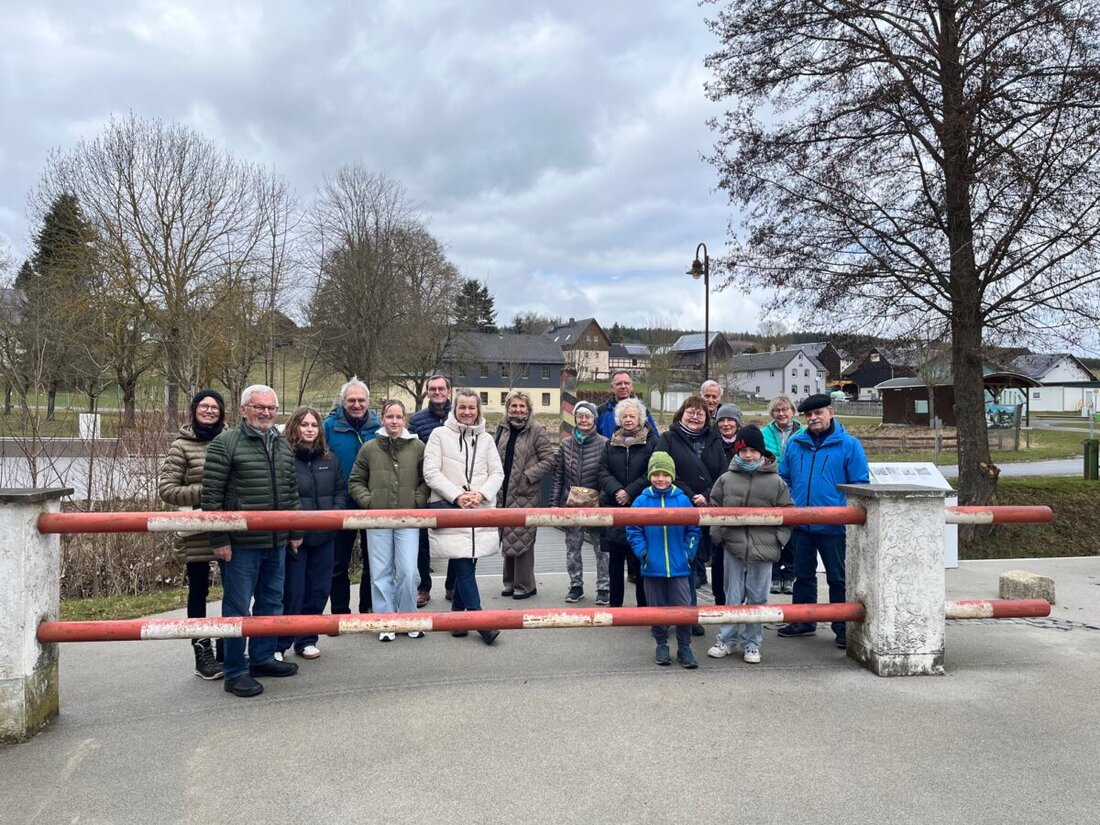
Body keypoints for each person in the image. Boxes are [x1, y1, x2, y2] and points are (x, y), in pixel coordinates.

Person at [202, 385, 302, 698]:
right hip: (241, 544)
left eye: (271, 408)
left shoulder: (282, 445)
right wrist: (219, 537)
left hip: (276, 542)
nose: (266, 413)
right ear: (244, 408)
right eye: (259, 407)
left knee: (272, 601)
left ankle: (261, 657)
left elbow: (290, 491)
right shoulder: (226, 443)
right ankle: (235, 670)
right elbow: (211, 495)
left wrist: (295, 530)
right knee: (237, 607)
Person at [777, 393, 869, 649]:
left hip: (835, 525)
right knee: (802, 574)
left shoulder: (849, 445)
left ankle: (842, 626)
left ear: (831, 412)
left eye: (818, 413)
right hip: (802, 524)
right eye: (808, 415)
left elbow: (860, 484)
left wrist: (841, 510)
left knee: (838, 577)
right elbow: (785, 478)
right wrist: (793, 504)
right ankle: (803, 620)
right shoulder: (796, 444)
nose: (813, 418)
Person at [706, 425, 793, 664]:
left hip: (764, 548)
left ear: (762, 453)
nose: (749, 455)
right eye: (744, 450)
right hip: (732, 546)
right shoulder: (726, 479)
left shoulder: (776, 482)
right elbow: (714, 507)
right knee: (731, 595)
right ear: (737, 451)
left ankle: (752, 643)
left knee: (758, 597)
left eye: (754, 451)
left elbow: (788, 512)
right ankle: (727, 639)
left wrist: (779, 540)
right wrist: (719, 534)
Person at [423, 389, 504, 645]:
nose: (467, 412)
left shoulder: (487, 440)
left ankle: (458, 616)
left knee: (470, 560)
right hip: (452, 508)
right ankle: (481, 622)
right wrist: (458, 496)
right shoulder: (439, 435)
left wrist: (481, 494)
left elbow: (497, 473)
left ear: (478, 410)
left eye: (472, 407)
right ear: (454, 409)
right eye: (462, 407)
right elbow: (432, 472)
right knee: (463, 564)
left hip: (479, 510)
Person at [158, 389, 226, 681]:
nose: (210, 411)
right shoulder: (181, 446)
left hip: (227, 527)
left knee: (234, 591)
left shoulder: (230, 440)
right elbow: (167, 490)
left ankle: (229, 648)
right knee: (199, 591)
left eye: (215, 407)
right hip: (196, 530)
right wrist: (207, 490)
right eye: (205, 406)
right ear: (194, 409)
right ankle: (203, 654)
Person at [348, 399, 430, 642]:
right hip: (378, 520)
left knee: (407, 569)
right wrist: (369, 502)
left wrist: (418, 500)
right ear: (382, 419)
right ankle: (386, 620)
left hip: (408, 519)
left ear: (404, 420)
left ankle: (409, 617)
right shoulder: (370, 448)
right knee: (380, 571)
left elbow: (427, 479)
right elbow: (355, 480)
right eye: (389, 416)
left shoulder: (418, 447)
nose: (394, 421)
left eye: (398, 417)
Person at [277, 406, 345, 662]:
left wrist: (333, 521)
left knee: (318, 589)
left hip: (325, 537)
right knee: (292, 591)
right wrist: (294, 528)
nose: (309, 429)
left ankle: (307, 639)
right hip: (296, 538)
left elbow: (340, 493)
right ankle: (281, 642)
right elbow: (284, 496)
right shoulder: (284, 458)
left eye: (314, 425)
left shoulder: (330, 459)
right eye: (304, 425)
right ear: (294, 427)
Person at [626, 451, 701, 668]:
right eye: (656, 474)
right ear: (650, 475)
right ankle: (661, 644)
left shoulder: (683, 499)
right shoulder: (641, 501)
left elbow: (693, 529)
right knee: (656, 608)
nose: (661, 479)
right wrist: (644, 553)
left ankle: (685, 647)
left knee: (684, 608)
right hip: (653, 566)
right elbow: (633, 530)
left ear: (672, 476)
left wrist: (688, 554)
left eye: (665, 474)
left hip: (680, 566)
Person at [655, 395, 726, 617]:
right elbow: (662, 472)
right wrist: (690, 495)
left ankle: (691, 615)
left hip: (707, 507)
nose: (695, 416)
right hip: (677, 506)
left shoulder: (715, 440)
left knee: (697, 564)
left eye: (700, 413)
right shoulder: (668, 438)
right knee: (678, 563)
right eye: (690, 412)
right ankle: (672, 615)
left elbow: (723, 474)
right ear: (681, 414)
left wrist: (706, 495)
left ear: (707, 417)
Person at [324, 377, 381, 616]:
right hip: (341, 503)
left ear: (368, 401)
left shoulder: (379, 428)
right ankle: (339, 611)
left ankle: (367, 607)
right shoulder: (328, 427)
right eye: (351, 400)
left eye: (361, 400)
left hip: (373, 503)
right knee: (338, 563)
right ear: (343, 402)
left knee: (373, 562)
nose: (356, 405)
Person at [495, 389, 555, 599]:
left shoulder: (537, 430)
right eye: (513, 406)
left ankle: (525, 584)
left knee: (523, 538)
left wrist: (527, 476)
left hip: (525, 492)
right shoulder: (502, 428)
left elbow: (549, 460)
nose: (517, 410)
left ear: (528, 409)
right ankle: (509, 581)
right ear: (508, 408)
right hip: (504, 492)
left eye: (522, 406)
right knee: (507, 536)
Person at [597, 397, 656, 608]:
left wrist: (630, 492)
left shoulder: (651, 443)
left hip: (641, 507)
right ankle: (615, 607)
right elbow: (602, 471)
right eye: (624, 416)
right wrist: (618, 490)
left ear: (640, 418)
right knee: (615, 561)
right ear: (618, 419)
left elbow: (652, 473)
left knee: (640, 560)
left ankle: (643, 608)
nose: (628, 419)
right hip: (615, 507)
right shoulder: (610, 443)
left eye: (632, 416)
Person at [550, 400, 609, 604]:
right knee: (572, 547)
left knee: (601, 549)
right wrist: (554, 504)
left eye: (588, 416)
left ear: (594, 419)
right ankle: (576, 585)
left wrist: (602, 501)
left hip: (596, 504)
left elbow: (606, 475)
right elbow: (558, 476)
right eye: (580, 416)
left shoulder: (604, 443)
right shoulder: (566, 445)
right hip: (571, 503)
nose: (584, 420)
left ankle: (604, 587)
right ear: (575, 419)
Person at [409, 374, 452, 606]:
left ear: (449, 391)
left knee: (457, 537)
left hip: (456, 486)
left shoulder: (460, 416)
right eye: (432, 389)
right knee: (422, 542)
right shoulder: (416, 421)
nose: (437, 392)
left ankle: (453, 586)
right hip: (427, 486)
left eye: (441, 388)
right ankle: (423, 587)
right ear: (427, 392)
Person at [763, 394, 801, 594]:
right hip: (771, 489)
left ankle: (790, 576)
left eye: (785, 409)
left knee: (792, 536)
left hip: (795, 490)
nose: (781, 413)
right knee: (773, 535)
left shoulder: (803, 433)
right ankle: (775, 576)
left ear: (792, 412)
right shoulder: (764, 433)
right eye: (777, 410)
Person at [596, 370, 658, 438]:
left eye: (626, 383)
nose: (623, 386)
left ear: (631, 387)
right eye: (619, 384)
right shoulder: (601, 411)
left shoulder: (642, 410)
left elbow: (655, 437)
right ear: (612, 388)